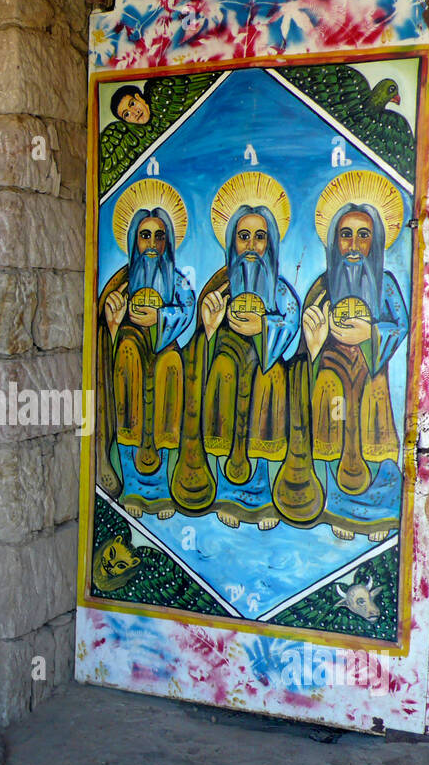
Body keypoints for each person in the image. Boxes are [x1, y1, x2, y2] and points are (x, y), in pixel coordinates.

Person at [277, 170, 407, 540]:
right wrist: (315, 345)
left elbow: (401, 326)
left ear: (375, 242)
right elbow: (302, 350)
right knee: (330, 445)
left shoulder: (386, 285)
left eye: (362, 235)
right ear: (334, 241)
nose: (353, 244)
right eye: (345, 235)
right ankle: (337, 512)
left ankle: (376, 516)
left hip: (371, 385)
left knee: (374, 444)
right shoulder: (322, 285)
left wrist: (372, 333)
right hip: (331, 389)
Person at [170, 173, 301, 526]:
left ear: (271, 243)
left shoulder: (280, 291)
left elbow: (291, 327)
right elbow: (195, 341)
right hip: (224, 373)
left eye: (260, 237)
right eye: (244, 236)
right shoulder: (219, 285)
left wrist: (265, 328)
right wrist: (210, 328)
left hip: (264, 372)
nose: (252, 246)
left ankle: (260, 495)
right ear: (232, 242)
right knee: (223, 373)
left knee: (270, 376)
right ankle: (225, 490)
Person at [95, 178, 196, 519]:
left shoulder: (178, 282)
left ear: (168, 241)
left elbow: (187, 311)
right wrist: (114, 324)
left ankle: (163, 486)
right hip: (131, 356)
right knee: (126, 354)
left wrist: (161, 316)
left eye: (158, 236)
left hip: (164, 353)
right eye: (145, 235)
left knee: (171, 366)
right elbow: (106, 323)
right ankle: (133, 485)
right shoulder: (122, 283)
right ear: (134, 241)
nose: (152, 244)